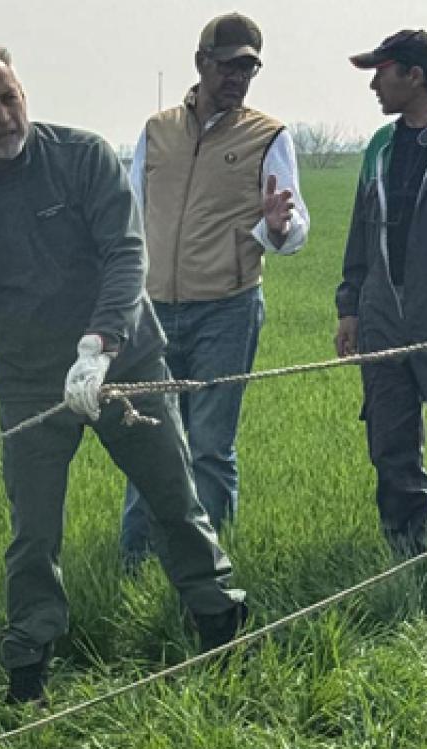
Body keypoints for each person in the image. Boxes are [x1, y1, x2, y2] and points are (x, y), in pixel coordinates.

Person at [0, 42, 249, 704]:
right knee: (33, 532)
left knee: (175, 500)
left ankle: (220, 622)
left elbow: (126, 253)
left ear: (23, 94)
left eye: (9, 98)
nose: (3, 117)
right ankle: (28, 664)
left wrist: (100, 345)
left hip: (124, 364)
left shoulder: (82, 157)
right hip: (32, 385)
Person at [118, 12, 311, 566]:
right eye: (228, 66)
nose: (237, 78)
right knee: (150, 436)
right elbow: (130, 214)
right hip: (154, 310)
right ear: (202, 63)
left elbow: (294, 227)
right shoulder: (156, 131)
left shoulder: (267, 136)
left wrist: (278, 227)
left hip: (228, 309)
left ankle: (206, 562)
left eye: (248, 68)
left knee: (209, 445)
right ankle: (136, 556)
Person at [335, 29, 427, 556]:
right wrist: (350, 308)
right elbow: (360, 235)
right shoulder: (380, 146)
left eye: (381, 73)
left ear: (415, 75)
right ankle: (407, 551)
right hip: (383, 317)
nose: (373, 86)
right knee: (390, 442)